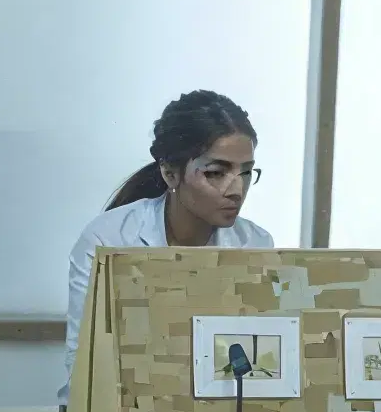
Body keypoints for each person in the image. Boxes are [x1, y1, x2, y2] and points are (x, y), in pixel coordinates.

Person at [69, 89, 267, 289]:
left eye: (246, 172)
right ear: (170, 173)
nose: (237, 190)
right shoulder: (106, 241)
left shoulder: (256, 245)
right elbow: (87, 321)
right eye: (216, 173)